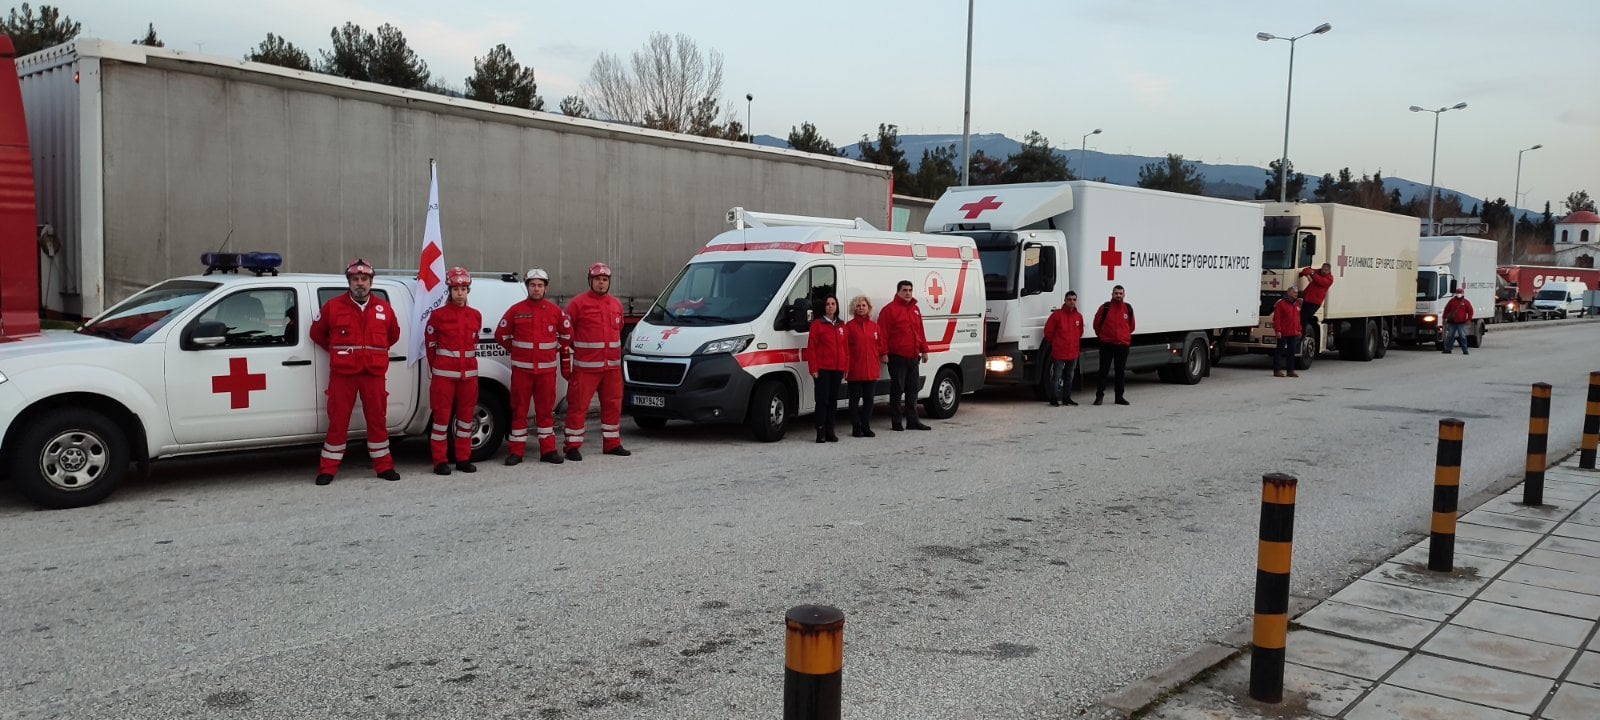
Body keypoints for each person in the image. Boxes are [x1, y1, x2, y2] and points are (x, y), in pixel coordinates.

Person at [309, 258, 402, 485]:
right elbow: (317, 334)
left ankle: (384, 466)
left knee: (377, 420)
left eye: (364, 279)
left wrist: (371, 353)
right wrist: (340, 353)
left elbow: (393, 335)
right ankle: (328, 469)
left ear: (371, 282)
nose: (360, 283)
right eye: (355, 279)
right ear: (349, 281)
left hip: (373, 373)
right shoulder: (333, 307)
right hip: (343, 374)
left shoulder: (384, 308)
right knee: (338, 420)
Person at [496, 268, 572, 466]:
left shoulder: (555, 311)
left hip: (546, 372)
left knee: (545, 412)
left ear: (545, 289)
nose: (536, 289)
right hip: (522, 372)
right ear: (527, 286)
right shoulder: (516, 310)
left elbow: (567, 335)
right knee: (519, 411)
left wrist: (553, 349)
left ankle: (548, 451)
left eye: (540, 285)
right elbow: (501, 334)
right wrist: (517, 351)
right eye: (532, 285)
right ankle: (516, 452)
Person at [563, 262, 629, 460]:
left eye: (604, 280)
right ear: (590, 281)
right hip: (586, 368)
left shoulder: (616, 304)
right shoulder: (577, 304)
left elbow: (620, 330)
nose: (601, 283)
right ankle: (572, 446)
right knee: (578, 406)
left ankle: (612, 443)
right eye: (597, 279)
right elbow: (567, 334)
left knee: (613, 405)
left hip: (611, 368)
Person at [426, 267, 482, 475]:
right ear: (449, 291)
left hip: (469, 377)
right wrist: (438, 370)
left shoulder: (475, 315)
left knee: (466, 419)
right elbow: (430, 346)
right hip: (444, 378)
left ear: (468, 291)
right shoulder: (438, 315)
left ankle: (463, 458)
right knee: (441, 420)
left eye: (463, 289)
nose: (460, 293)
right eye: (456, 289)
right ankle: (440, 461)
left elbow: (473, 343)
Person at [878, 280, 931, 431]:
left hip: (913, 356)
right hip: (897, 357)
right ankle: (896, 422)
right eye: (905, 290)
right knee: (897, 389)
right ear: (898, 292)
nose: (908, 293)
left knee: (913, 389)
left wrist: (924, 350)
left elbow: (920, 331)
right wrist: (883, 353)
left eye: (910, 290)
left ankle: (912, 420)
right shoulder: (889, 310)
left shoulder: (915, 309)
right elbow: (882, 334)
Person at [806, 295, 848, 443]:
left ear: (837, 306)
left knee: (833, 400)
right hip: (823, 368)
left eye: (833, 303)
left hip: (837, 368)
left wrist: (845, 367)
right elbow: (811, 348)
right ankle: (820, 430)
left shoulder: (841, 325)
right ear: (824, 307)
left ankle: (831, 430)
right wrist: (813, 368)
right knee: (822, 400)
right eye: (828, 304)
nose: (830, 306)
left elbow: (845, 348)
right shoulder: (817, 324)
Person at [844, 295, 887, 437]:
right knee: (854, 401)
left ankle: (866, 425)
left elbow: (880, 344)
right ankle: (856, 427)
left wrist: (884, 354)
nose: (861, 308)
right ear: (854, 309)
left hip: (871, 370)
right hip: (855, 369)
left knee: (869, 400)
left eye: (863, 305)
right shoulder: (849, 327)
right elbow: (845, 348)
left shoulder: (874, 327)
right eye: (858, 306)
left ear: (868, 308)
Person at [1092, 285, 1135, 406]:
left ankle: (1119, 397)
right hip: (1107, 344)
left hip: (1122, 345)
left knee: (1120, 372)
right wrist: (1103, 336)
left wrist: (1123, 336)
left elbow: (1131, 326)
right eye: (1116, 293)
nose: (1118, 295)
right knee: (1103, 371)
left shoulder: (1128, 308)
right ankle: (1099, 396)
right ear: (1112, 294)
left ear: (1124, 295)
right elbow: (1097, 323)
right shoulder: (1105, 307)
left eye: (1120, 293)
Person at [1042, 290, 1085, 406]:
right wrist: (1057, 343)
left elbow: (1080, 332)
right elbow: (1048, 332)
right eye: (1069, 299)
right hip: (1060, 351)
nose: (1072, 302)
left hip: (1073, 351)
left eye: (1074, 300)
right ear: (1065, 300)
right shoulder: (1057, 315)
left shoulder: (1078, 316)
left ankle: (1067, 398)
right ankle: (1054, 398)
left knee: (1069, 376)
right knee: (1056, 376)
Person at [1272, 286, 1302, 378]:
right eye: (1294, 292)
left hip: (1293, 332)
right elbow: (1277, 318)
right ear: (1288, 293)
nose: (1296, 294)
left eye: (1297, 292)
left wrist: (1299, 329)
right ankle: (1277, 370)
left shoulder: (1296, 304)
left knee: (1291, 352)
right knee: (1279, 351)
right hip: (1283, 332)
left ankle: (1290, 371)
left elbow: (1297, 318)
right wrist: (1278, 330)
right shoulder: (1281, 304)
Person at [1298, 263, 1334, 328]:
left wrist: (1312, 274)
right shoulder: (1317, 272)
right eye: (1323, 269)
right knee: (1301, 318)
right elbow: (1305, 270)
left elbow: (1321, 281)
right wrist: (1308, 275)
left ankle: (1303, 335)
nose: (1324, 271)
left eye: (1326, 270)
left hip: (1315, 303)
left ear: (1329, 271)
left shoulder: (1330, 279)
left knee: (1305, 318)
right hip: (1306, 299)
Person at [1442, 287, 1474, 355]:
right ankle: (1448, 349)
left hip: (1461, 322)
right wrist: (1444, 318)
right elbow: (1446, 309)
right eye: (1458, 293)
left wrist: (1469, 319)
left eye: (1460, 293)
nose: (1459, 294)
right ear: (1456, 293)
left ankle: (1465, 350)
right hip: (1452, 322)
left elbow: (1470, 311)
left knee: (1462, 336)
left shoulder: (1466, 302)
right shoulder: (1452, 301)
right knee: (1450, 336)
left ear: (1462, 293)